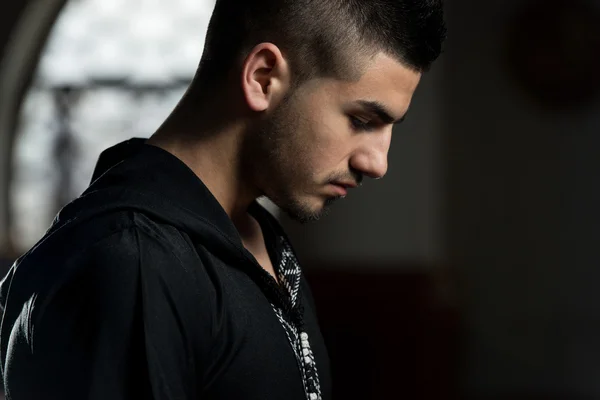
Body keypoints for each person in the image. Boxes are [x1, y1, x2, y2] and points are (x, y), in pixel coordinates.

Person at [0, 0, 446, 399]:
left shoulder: (256, 237)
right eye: (363, 119)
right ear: (263, 78)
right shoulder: (130, 261)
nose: (378, 163)